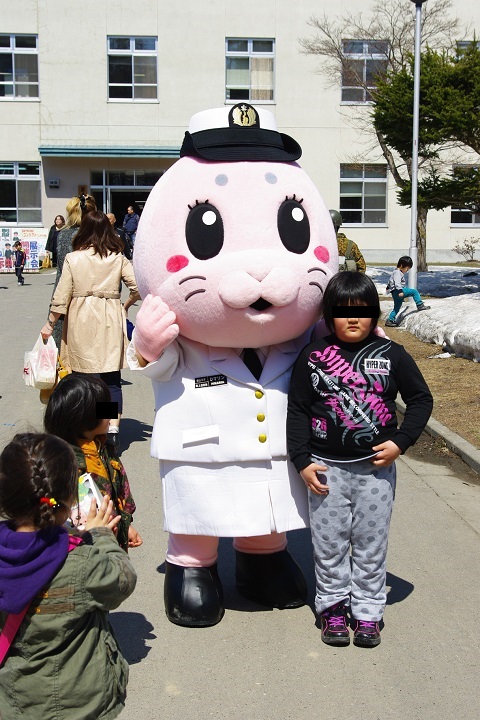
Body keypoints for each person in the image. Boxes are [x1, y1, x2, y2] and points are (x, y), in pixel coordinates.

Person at [287, 272, 433, 647]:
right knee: (329, 546)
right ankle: (333, 608)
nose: (353, 318)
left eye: (363, 310)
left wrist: (401, 441)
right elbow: (298, 410)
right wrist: (301, 460)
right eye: (342, 311)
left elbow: (420, 400)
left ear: (375, 313)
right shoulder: (313, 357)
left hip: (375, 474)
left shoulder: (392, 354)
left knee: (370, 545)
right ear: (328, 315)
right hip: (326, 470)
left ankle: (368, 612)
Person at [0, 432, 137, 719]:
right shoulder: (81, 561)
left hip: (15, 699)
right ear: (66, 501)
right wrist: (101, 535)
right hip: (79, 701)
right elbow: (122, 580)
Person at [40, 211, 141, 455]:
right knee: (110, 378)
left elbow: (61, 296)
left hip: (82, 318)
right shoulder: (117, 258)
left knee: (84, 378)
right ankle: (112, 429)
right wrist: (125, 305)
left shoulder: (74, 258)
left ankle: (88, 431)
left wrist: (50, 324)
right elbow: (138, 287)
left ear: (83, 230)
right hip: (110, 317)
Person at [44, 373, 142, 551]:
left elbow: (119, 488)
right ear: (85, 418)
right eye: (104, 407)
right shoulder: (66, 464)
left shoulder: (103, 447)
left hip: (111, 537)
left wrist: (125, 525)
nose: (111, 410)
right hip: (85, 549)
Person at [51, 194, 97, 347]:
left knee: (64, 348)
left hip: (67, 300)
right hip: (95, 302)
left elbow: (61, 274)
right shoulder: (99, 235)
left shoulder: (64, 234)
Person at [385, 255, 431, 327]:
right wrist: (400, 291)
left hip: (394, 293)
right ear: (401, 265)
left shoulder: (396, 272)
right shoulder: (397, 273)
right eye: (407, 268)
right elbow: (397, 283)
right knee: (414, 292)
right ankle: (420, 305)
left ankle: (390, 320)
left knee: (396, 308)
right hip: (398, 291)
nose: (407, 270)